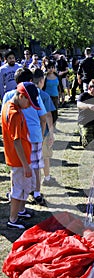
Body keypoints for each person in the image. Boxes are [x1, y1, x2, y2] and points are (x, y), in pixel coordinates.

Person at [2, 68, 47, 206]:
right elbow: (43, 117)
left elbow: (3, 118)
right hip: (31, 135)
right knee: (34, 167)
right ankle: (36, 193)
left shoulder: (8, 96)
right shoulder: (34, 93)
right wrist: (42, 133)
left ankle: (15, 193)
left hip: (18, 139)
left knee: (17, 169)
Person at [1, 82, 41, 229]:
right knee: (18, 189)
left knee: (26, 185)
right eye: (28, 102)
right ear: (21, 96)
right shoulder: (15, 114)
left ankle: (21, 211)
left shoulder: (8, 105)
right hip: (19, 159)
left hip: (22, 156)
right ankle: (13, 219)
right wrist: (25, 165)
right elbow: (16, 141)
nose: (29, 106)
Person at [32, 68, 57, 186]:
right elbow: (48, 116)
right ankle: (47, 178)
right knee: (45, 156)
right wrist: (51, 133)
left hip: (30, 131)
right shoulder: (44, 95)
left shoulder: (25, 94)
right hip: (43, 131)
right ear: (42, 80)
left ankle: (33, 181)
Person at [77, 79, 94, 149]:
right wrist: (88, 106)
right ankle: (83, 135)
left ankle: (93, 135)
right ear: (89, 88)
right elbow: (79, 104)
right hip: (85, 123)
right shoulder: (83, 95)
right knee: (90, 146)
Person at [44, 61, 61, 125]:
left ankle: (54, 125)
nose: (51, 69)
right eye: (49, 67)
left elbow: (60, 87)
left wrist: (61, 95)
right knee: (47, 111)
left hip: (55, 96)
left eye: (52, 67)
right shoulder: (45, 77)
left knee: (55, 112)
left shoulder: (57, 76)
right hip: (47, 96)